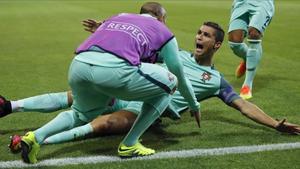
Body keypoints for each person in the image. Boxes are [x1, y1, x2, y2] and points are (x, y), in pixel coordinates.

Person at [4, 21, 300, 155]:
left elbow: (243, 105)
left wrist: (274, 123)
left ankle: (40, 141)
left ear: (217, 44)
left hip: (144, 109)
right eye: (198, 32)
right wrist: (105, 34)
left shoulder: (215, 81)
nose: (199, 37)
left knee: (104, 123)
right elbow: (137, 50)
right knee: (73, 98)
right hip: (131, 89)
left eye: (206, 35)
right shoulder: (177, 56)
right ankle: (10, 106)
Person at [11, 2, 201, 163]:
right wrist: (193, 104)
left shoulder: (119, 16)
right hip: (113, 71)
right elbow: (179, 72)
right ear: (161, 17)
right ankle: (129, 144)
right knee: (171, 83)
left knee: (79, 114)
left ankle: (35, 137)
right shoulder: (162, 29)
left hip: (79, 65)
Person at [228, 0, 275, 99]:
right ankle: (248, 59)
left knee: (254, 33)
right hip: (241, 2)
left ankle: (247, 85)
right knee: (234, 42)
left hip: (262, 3)